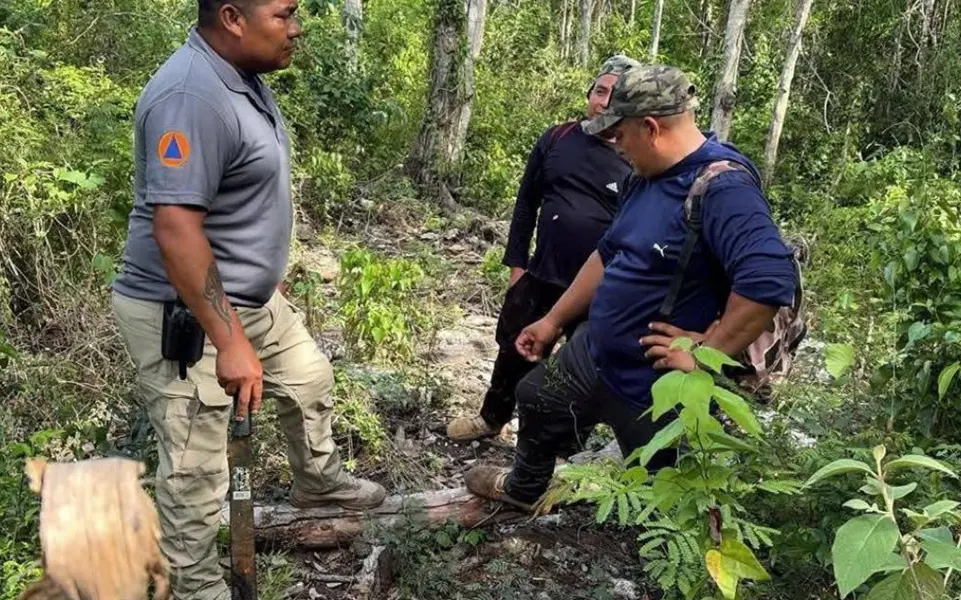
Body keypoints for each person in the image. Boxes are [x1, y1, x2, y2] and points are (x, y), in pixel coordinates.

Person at [110, 2, 385, 598]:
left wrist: (262, 274)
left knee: (308, 380)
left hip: (247, 301)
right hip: (186, 315)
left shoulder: (242, 79)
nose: (297, 27)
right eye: (284, 14)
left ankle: (318, 483)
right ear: (233, 18)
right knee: (196, 468)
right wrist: (230, 339)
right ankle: (197, 587)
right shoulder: (191, 95)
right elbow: (176, 230)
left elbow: (238, 194)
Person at [464, 65, 801, 511]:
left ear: (651, 128)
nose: (616, 145)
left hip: (653, 383)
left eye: (620, 134)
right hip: (595, 352)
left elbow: (768, 282)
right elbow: (608, 253)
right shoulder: (643, 176)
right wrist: (552, 321)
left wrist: (705, 353)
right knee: (538, 396)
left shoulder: (723, 190)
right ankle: (525, 490)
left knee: (664, 495)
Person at [445, 54, 641, 443]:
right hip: (543, 271)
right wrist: (517, 267)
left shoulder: (633, 155)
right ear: (589, 94)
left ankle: (568, 447)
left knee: (581, 367)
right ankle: (492, 418)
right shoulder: (558, 138)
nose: (603, 102)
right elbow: (526, 203)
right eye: (599, 91)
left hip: (598, 288)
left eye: (614, 95)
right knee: (513, 348)